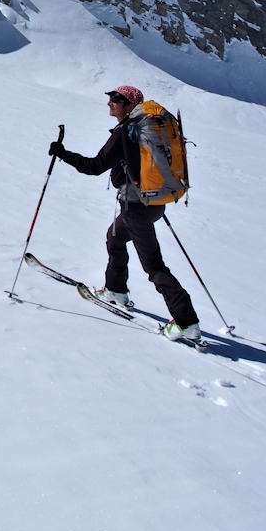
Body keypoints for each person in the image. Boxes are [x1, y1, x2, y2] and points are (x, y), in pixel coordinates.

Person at [48, 85, 201, 342]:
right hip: (152, 204)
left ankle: (187, 322)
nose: (110, 103)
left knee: (153, 266)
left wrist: (63, 154)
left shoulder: (126, 133)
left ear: (130, 105)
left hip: (137, 208)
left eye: (116, 100)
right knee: (115, 238)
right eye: (110, 99)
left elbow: (95, 166)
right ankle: (116, 290)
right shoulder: (139, 131)